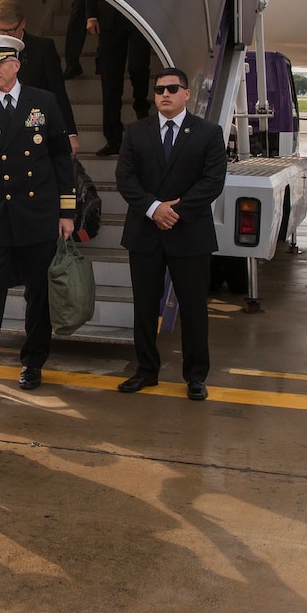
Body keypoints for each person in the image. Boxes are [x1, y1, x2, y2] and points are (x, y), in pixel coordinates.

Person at [0, 34, 76, 407]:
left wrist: (67, 212)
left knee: (38, 296)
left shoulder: (42, 102)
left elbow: (62, 158)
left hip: (38, 215)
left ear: (16, 65)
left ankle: (33, 362)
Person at [114, 67, 226, 400]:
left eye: (172, 88)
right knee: (145, 308)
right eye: (160, 89)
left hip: (189, 233)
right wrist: (153, 209)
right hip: (145, 233)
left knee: (193, 309)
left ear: (186, 94)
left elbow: (212, 182)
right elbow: (126, 179)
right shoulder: (136, 132)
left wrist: (174, 211)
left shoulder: (208, 133)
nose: (164, 94)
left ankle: (195, 376)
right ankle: (146, 371)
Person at [0, 0, 80, 154]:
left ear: (22, 23)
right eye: (1, 30)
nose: (5, 35)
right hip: (4, 130)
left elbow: (58, 92)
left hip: (37, 127)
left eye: (11, 30)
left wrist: (70, 132)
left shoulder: (43, 48)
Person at [86, 0, 152, 155]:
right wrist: (91, 15)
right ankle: (113, 138)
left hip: (140, 13)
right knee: (110, 79)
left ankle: (142, 108)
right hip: (109, 16)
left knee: (139, 67)